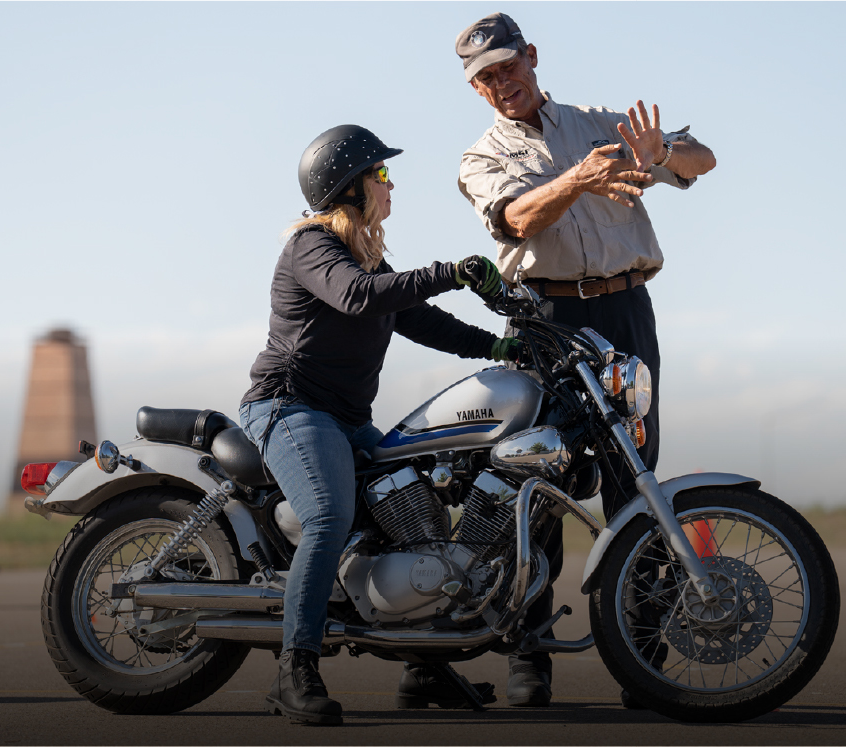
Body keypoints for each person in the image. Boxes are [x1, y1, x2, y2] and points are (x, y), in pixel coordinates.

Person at [453, 12, 717, 708]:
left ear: (533, 58)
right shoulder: (480, 157)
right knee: (539, 485)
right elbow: (513, 220)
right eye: (486, 77)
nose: (501, 83)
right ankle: (529, 656)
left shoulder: (602, 121)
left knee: (636, 482)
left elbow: (703, 159)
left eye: (508, 66)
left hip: (627, 315)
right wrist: (579, 179)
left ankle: (644, 656)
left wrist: (658, 156)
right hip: (550, 321)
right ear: (475, 89)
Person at [239, 124, 520, 725]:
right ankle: (295, 668)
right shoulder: (312, 247)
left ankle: (423, 667)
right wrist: (455, 269)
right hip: (291, 408)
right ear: (350, 187)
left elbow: (419, 319)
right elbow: (362, 297)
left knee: (418, 504)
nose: (391, 184)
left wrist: (500, 346)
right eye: (382, 174)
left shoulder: (365, 254)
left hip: (345, 419)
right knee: (328, 515)